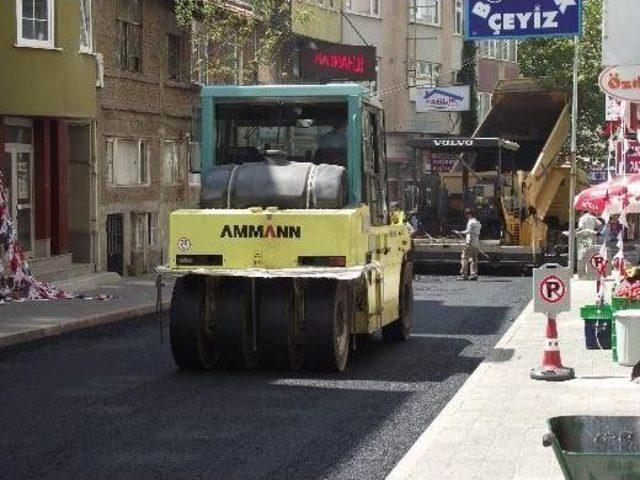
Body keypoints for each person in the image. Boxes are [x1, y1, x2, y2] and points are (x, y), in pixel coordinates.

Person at [455, 208, 482, 281]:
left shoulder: (470, 222)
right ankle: (474, 275)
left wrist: (459, 232)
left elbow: (468, 231)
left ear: (469, 214)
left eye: (466, 214)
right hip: (476, 244)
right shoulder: (478, 223)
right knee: (474, 260)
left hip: (470, 243)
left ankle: (464, 275)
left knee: (464, 258)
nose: (466, 216)